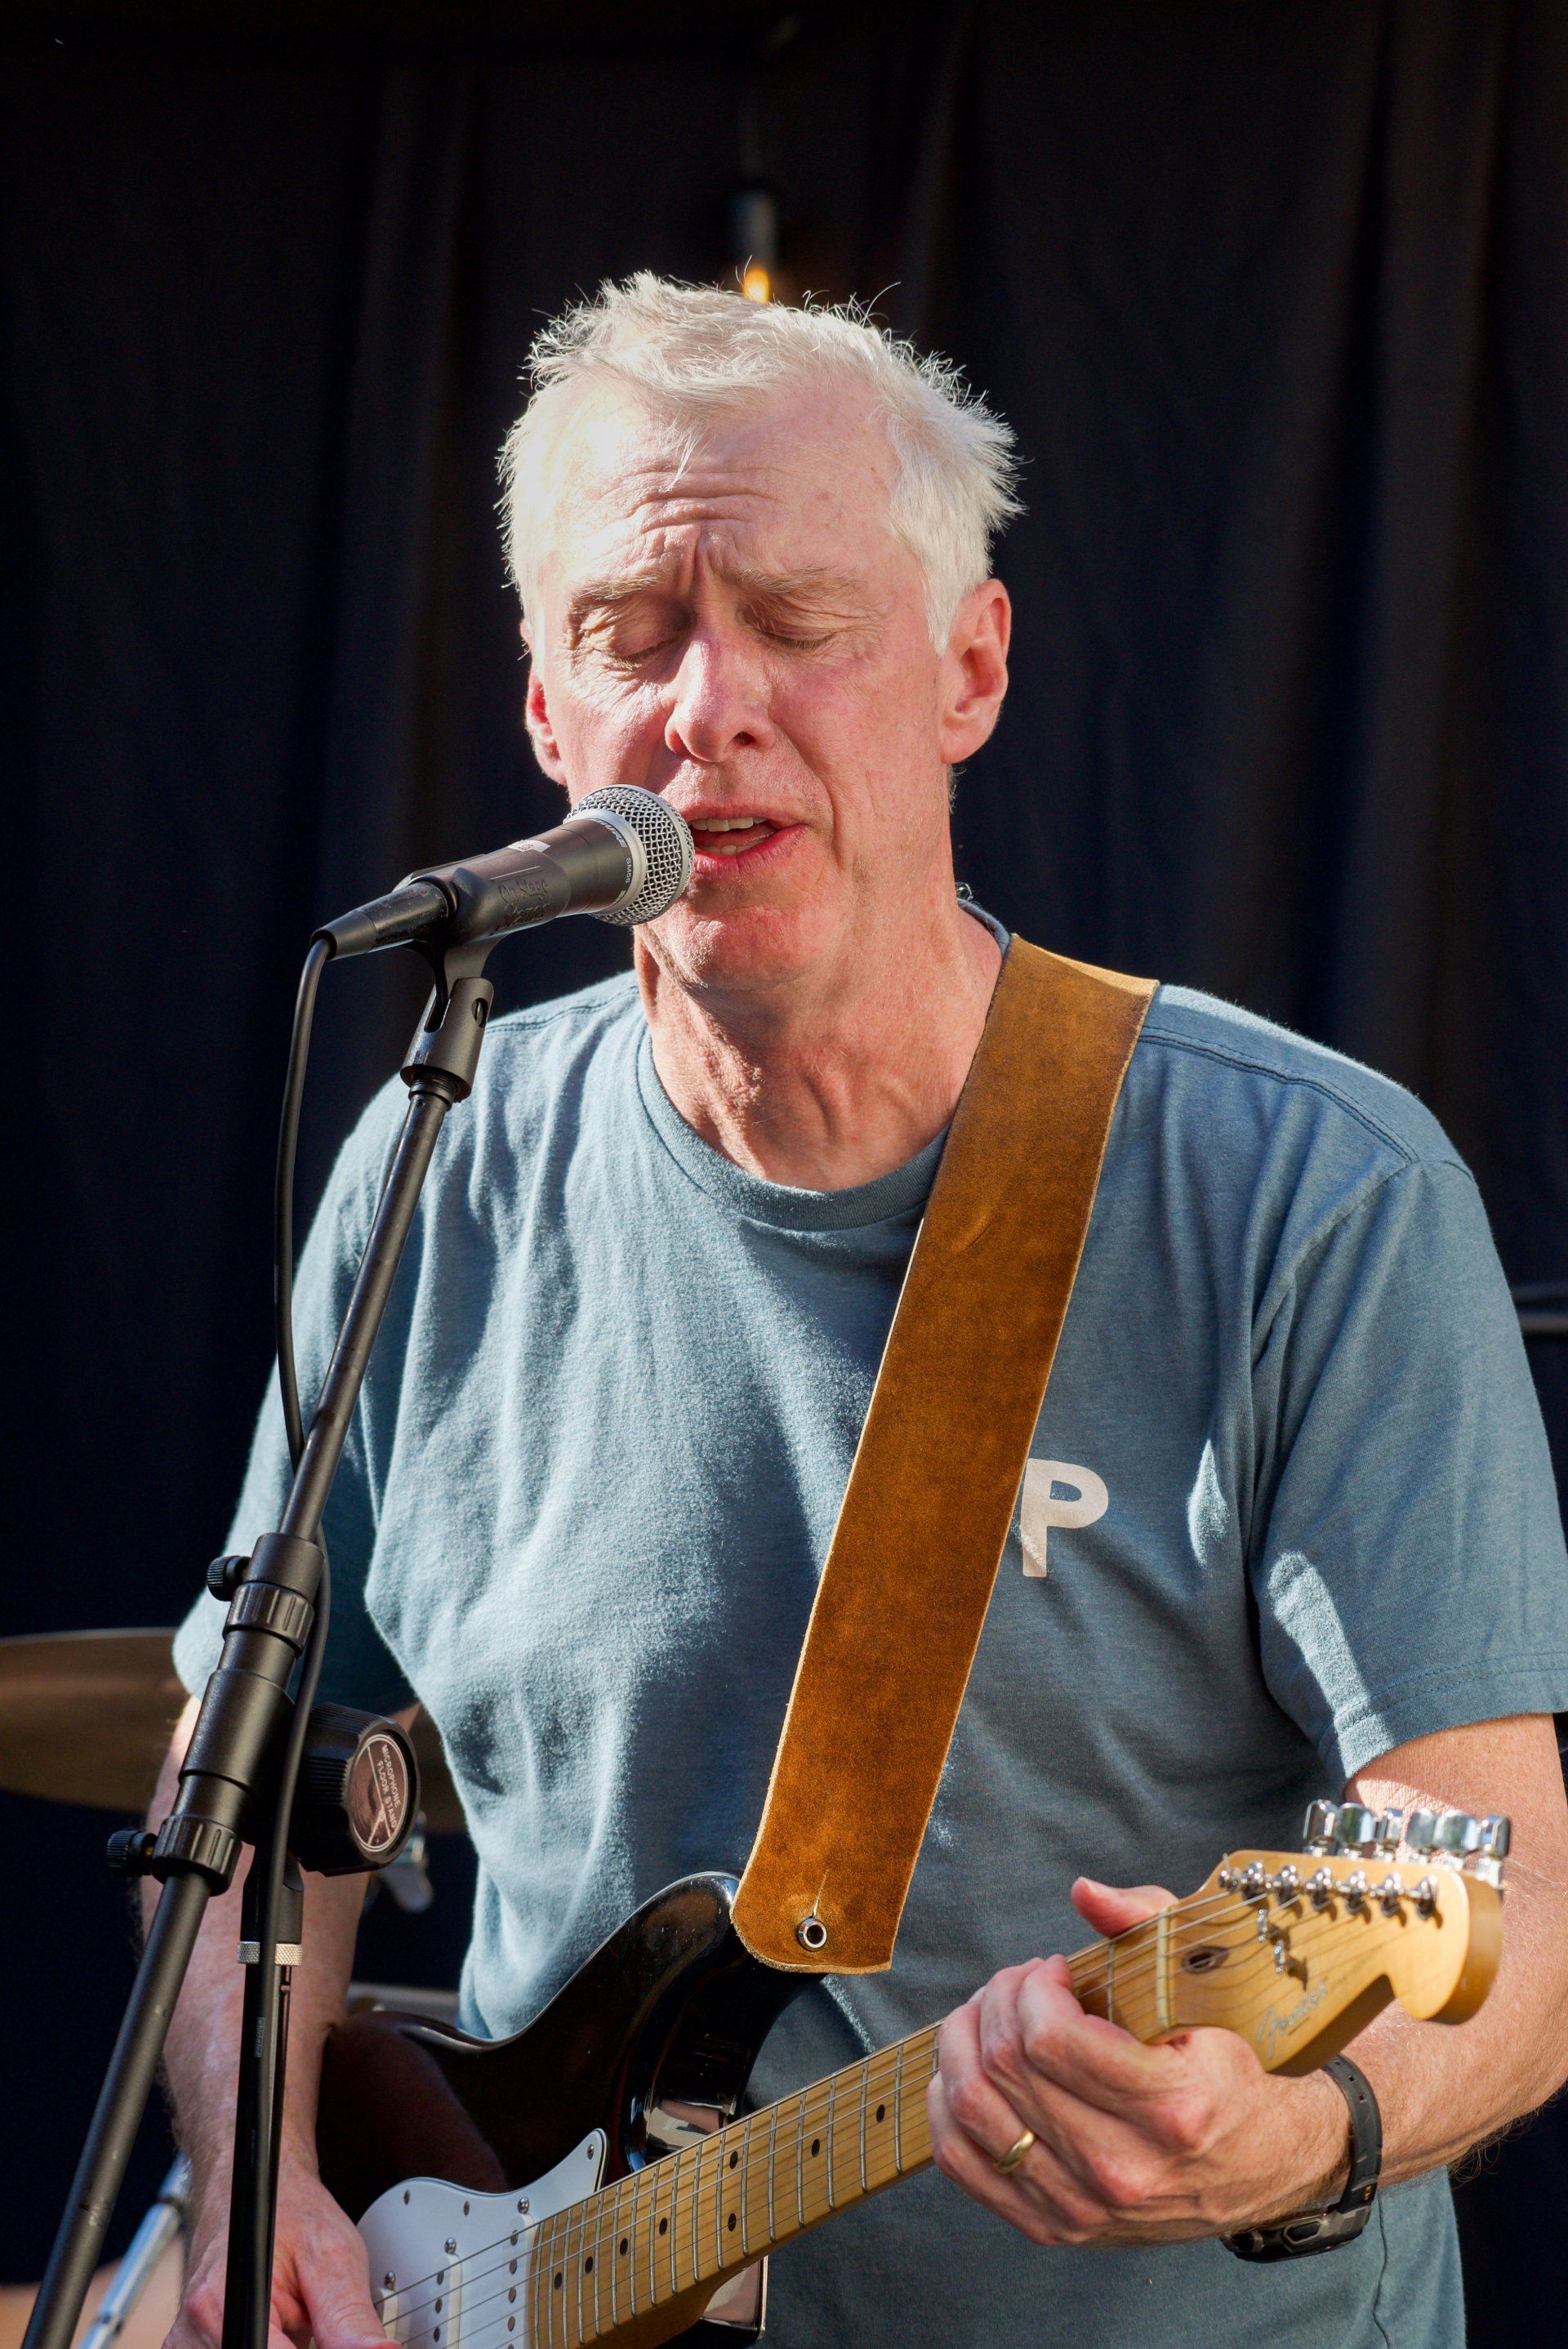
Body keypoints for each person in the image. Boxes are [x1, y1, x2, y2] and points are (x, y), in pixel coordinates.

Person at [154, 276, 1568, 2349]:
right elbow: (250, 1798)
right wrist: (252, 2165)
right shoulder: (436, 1168)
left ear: (970, 667)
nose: (709, 703)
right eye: (631, 631)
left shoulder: (1312, 1197)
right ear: (545, 712)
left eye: (799, 621)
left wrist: (1308, 2132)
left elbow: (1503, 1900)